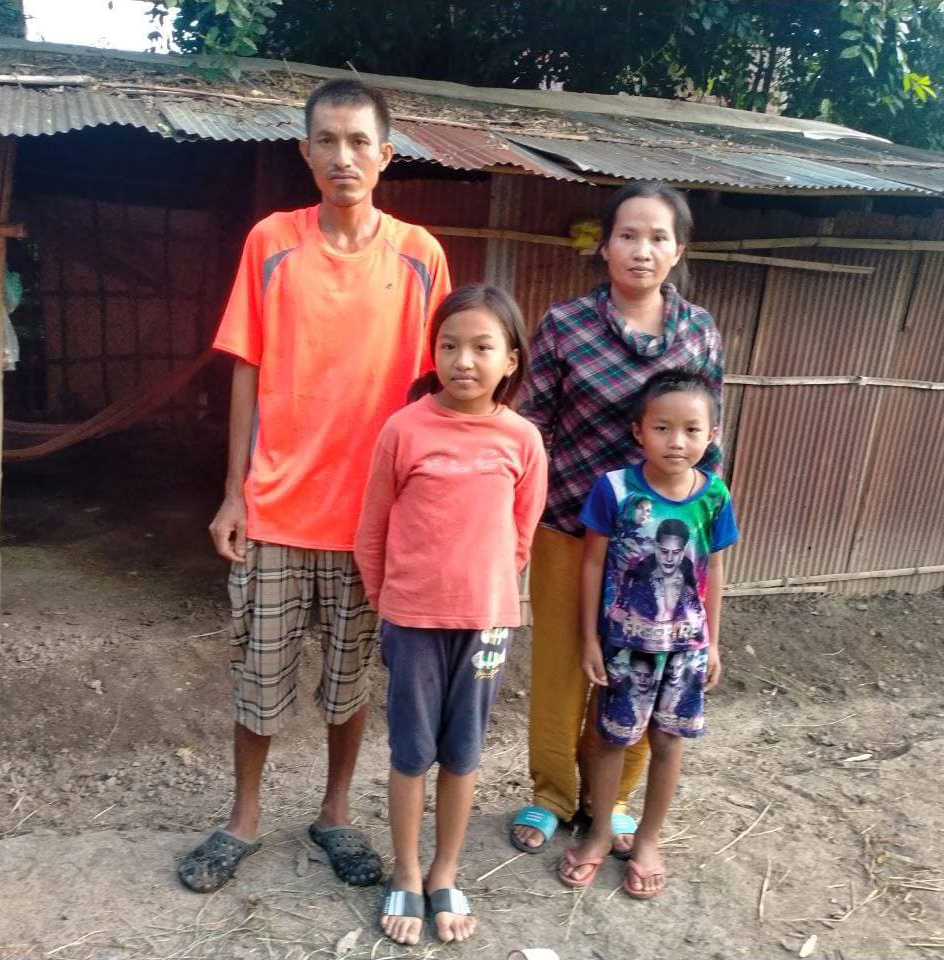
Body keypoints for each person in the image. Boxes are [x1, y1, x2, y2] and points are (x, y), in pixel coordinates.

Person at [177, 78, 451, 893]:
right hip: (276, 510)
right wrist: (234, 492)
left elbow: (438, 388)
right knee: (257, 679)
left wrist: (423, 508)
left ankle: (334, 814)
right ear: (304, 152)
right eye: (326, 141)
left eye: (359, 141)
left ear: (386, 155)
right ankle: (243, 819)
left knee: (348, 682)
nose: (343, 157)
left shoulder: (420, 255)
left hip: (370, 519)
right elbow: (247, 369)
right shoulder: (272, 241)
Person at [512, 181, 724, 858]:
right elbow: (531, 426)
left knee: (645, 665)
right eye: (628, 235)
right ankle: (552, 794)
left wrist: (703, 522)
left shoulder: (699, 332)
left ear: (678, 250)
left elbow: (710, 438)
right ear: (604, 246)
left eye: (659, 237)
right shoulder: (566, 325)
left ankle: (615, 800)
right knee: (563, 666)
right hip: (570, 525)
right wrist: (515, 514)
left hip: (660, 543)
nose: (642, 250)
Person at [355, 285, 547, 944]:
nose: (464, 360)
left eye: (482, 347)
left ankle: (445, 871)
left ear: (511, 360)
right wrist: (386, 601)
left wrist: (489, 597)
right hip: (412, 620)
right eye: (449, 345)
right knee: (412, 751)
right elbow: (372, 527)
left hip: (487, 625)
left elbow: (521, 536)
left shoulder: (522, 440)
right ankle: (407, 871)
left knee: (463, 752)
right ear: (433, 352)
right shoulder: (404, 429)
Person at [558, 370, 738, 897]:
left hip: (686, 649)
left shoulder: (714, 496)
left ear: (711, 436)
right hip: (623, 646)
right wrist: (590, 639)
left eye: (691, 430)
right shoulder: (614, 490)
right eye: (662, 428)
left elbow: (715, 570)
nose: (676, 441)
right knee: (611, 739)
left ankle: (648, 840)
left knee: (668, 741)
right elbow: (592, 564)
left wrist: (713, 643)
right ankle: (598, 832)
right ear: (639, 431)